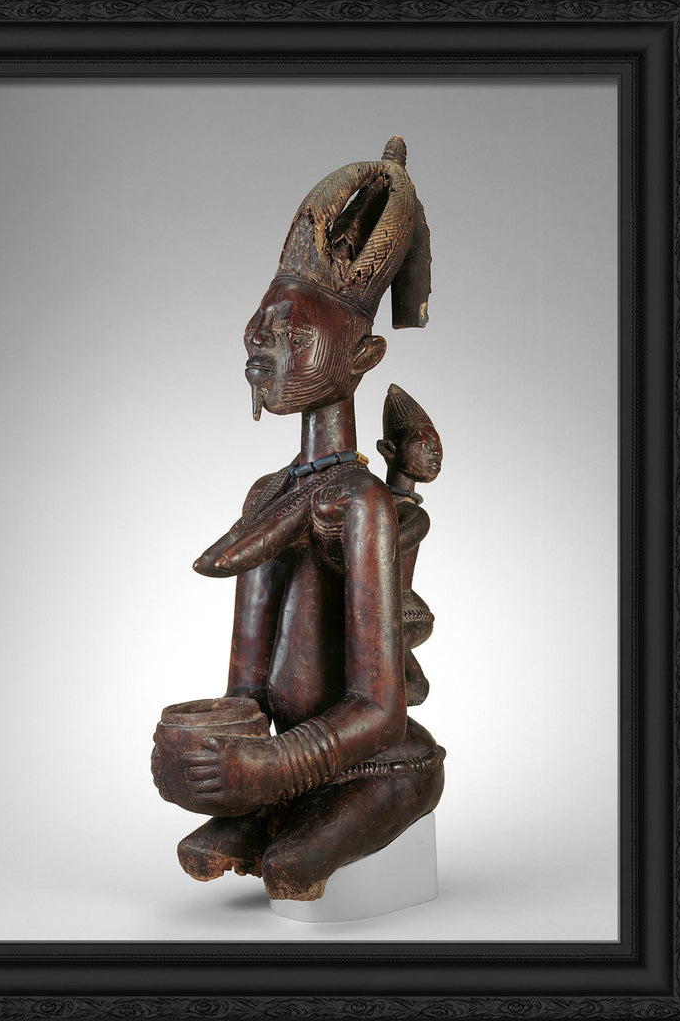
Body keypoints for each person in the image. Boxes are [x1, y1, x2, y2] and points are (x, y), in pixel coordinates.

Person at [153, 137, 445, 901]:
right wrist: (223, 749)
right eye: (261, 331)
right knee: (228, 823)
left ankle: (297, 816)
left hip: (379, 760)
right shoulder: (266, 496)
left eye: (295, 336)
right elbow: (247, 683)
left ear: (362, 356)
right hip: (291, 754)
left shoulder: (363, 505)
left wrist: (275, 768)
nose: (265, 351)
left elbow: (379, 712)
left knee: (291, 864)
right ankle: (273, 810)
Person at [377, 383, 443, 707]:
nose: (435, 453)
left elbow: (382, 550)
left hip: (400, 611)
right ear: (389, 450)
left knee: (402, 672)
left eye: (437, 446)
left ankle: (407, 689)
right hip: (380, 606)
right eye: (424, 444)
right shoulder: (379, 503)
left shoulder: (415, 516)